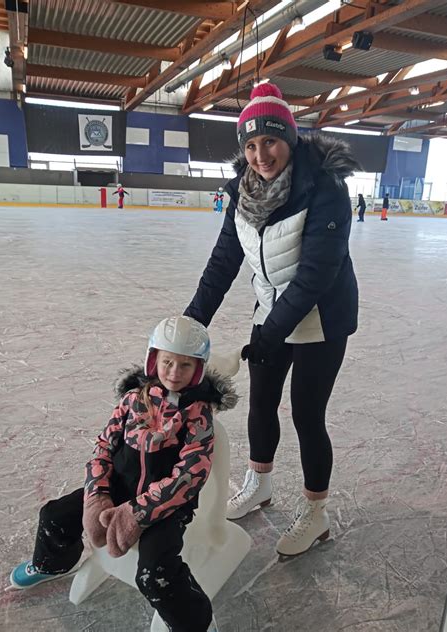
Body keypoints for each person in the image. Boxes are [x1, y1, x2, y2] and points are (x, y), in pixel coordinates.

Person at [184, 83, 359, 557]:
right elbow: (224, 260)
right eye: (251, 144)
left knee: (306, 414)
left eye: (271, 141)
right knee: (260, 404)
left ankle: (316, 512)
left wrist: (269, 332)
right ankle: (260, 483)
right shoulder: (243, 193)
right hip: (272, 312)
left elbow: (316, 275)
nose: (261, 154)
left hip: (323, 316)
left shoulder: (326, 188)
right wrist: (191, 322)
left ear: (291, 139)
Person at [9, 315, 238, 632]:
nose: (174, 373)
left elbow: (191, 474)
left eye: (185, 366)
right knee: (54, 516)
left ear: (198, 369)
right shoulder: (132, 402)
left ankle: (194, 622)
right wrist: (97, 494)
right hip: (118, 487)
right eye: (168, 362)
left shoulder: (197, 417)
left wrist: (139, 513)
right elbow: (104, 446)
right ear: (153, 359)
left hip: (166, 508)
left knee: (155, 573)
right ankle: (54, 563)